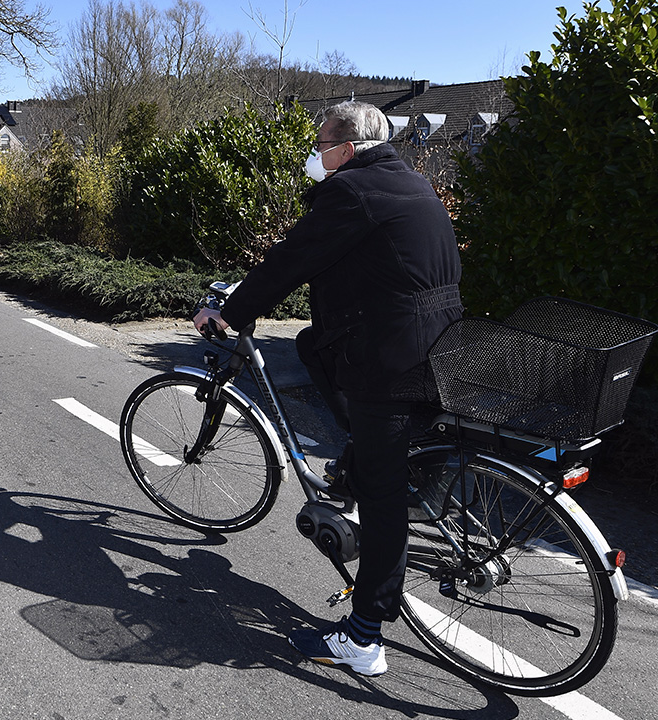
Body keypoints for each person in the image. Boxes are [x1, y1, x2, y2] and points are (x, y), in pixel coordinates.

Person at [192, 101, 462, 678]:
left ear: (346, 150)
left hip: (389, 360)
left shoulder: (352, 192)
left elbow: (292, 259)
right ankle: (357, 458)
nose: (316, 155)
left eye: (321, 146)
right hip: (439, 345)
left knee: (382, 498)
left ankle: (363, 638)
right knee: (315, 345)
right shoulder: (410, 183)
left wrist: (230, 313)